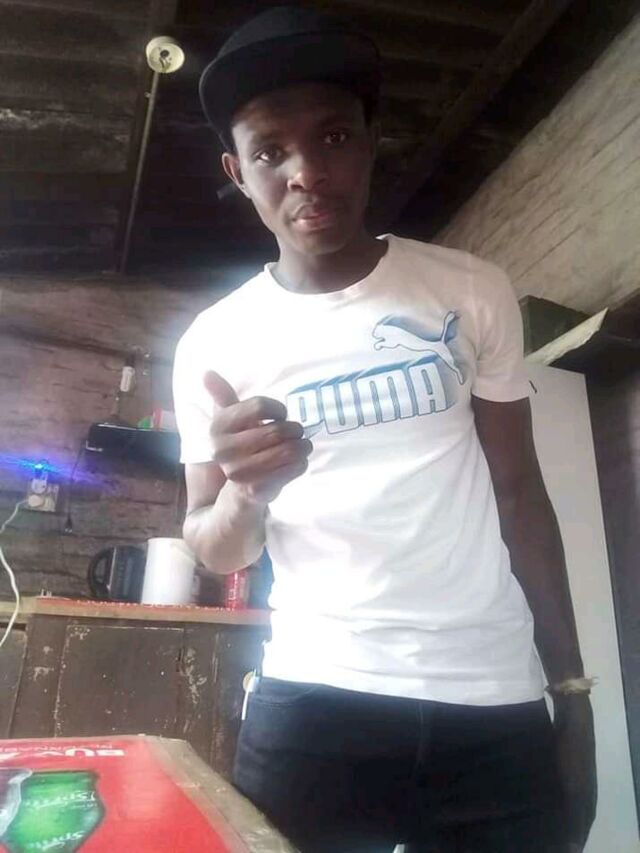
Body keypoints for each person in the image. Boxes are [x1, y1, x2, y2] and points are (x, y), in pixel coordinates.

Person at [173, 7, 596, 852]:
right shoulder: (214, 343)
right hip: (315, 702)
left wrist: (574, 697)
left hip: (492, 695)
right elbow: (212, 546)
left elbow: (521, 495)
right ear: (238, 170)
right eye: (270, 152)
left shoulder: (469, 289)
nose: (306, 172)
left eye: (333, 137)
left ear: (371, 141)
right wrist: (248, 494)